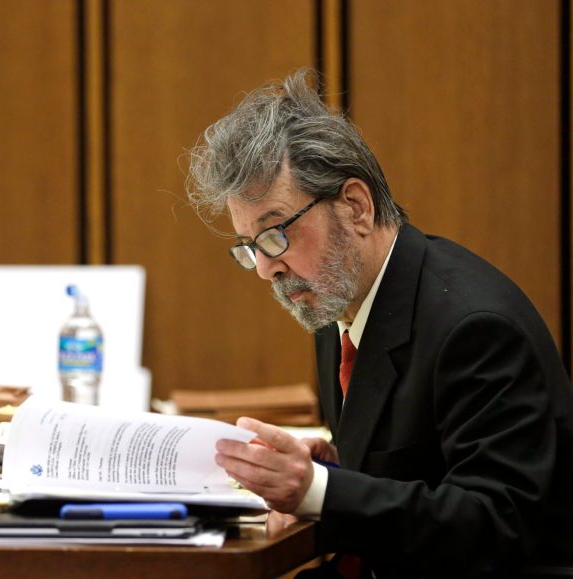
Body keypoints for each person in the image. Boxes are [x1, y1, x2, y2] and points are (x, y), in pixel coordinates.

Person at [186, 69, 573, 578]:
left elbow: (494, 526)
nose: (266, 267)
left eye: (275, 233)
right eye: (248, 247)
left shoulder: (474, 328)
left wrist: (318, 489)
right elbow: (423, 467)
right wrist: (336, 465)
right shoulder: (339, 302)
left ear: (355, 207)